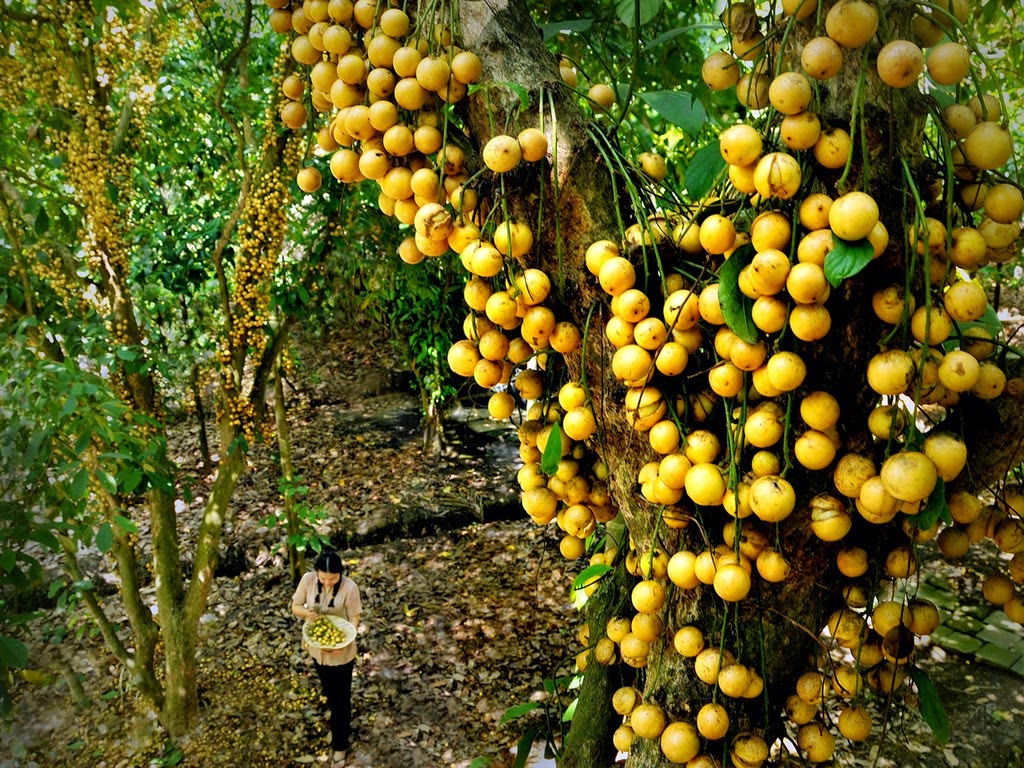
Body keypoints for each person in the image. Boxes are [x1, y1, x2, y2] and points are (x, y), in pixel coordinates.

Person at [292, 551, 361, 768]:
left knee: (341, 699)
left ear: (341, 573)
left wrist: (343, 641)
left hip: (342, 653)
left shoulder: (350, 588)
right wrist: (307, 615)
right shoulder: (308, 580)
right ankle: (335, 712)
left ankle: (340, 746)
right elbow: (295, 606)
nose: (327, 582)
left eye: (332, 578)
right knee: (330, 691)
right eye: (323, 577)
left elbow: (355, 618)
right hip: (317, 650)